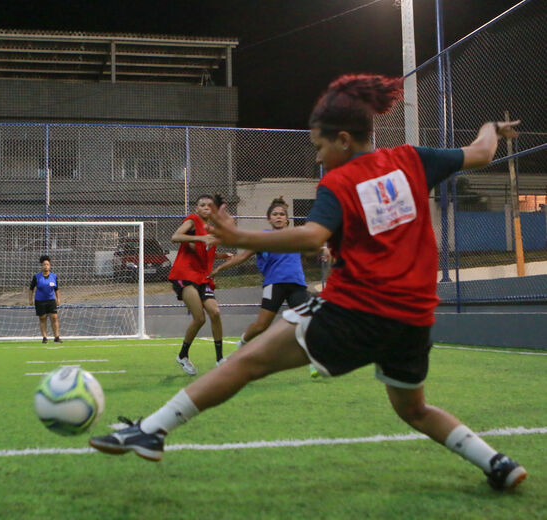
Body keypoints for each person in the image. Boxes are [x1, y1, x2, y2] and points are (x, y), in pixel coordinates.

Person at [89, 74, 527, 491]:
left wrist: (242, 235)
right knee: (414, 409)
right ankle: (497, 463)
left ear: (343, 139)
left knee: (246, 362)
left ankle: (151, 431)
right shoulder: (412, 160)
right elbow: (483, 152)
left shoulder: (339, 182)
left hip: (356, 311)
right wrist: (491, 126)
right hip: (412, 321)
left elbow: (312, 236)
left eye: (319, 147)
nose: (316, 157)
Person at [208, 197, 325, 377]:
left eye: (282, 214)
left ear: (287, 219)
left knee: (306, 321)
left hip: (297, 286)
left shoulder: (296, 235)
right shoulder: (262, 238)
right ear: (269, 219)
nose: (278, 217)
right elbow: (241, 257)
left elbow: (313, 246)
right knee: (261, 325)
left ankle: (313, 362)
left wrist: (324, 250)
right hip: (274, 285)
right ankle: (241, 346)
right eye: (275, 214)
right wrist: (220, 268)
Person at [168, 194, 234, 375]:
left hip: (203, 278)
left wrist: (223, 255)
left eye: (209, 205)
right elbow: (175, 237)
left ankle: (220, 359)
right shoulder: (193, 220)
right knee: (199, 318)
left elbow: (206, 251)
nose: (205, 207)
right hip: (185, 275)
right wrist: (199, 238)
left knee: (215, 312)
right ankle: (183, 355)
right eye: (202, 205)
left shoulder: (211, 230)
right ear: (196, 209)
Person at [29, 255, 62, 343]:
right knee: (43, 318)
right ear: (41, 266)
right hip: (40, 301)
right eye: (44, 264)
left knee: (54, 317)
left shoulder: (54, 276)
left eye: (47, 264)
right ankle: (45, 337)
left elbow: (57, 289)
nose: (46, 266)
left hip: (51, 300)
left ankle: (57, 337)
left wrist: (58, 299)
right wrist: (30, 299)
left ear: (50, 266)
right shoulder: (37, 277)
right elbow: (31, 289)